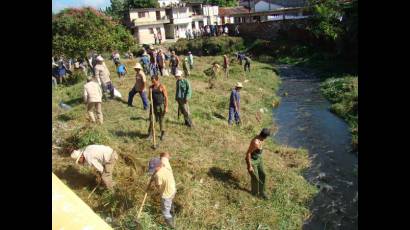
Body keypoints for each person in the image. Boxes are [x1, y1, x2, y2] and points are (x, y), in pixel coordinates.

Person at [147, 153, 177, 228]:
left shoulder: (158, 175)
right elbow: (165, 155)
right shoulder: (165, 164)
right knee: (170, 201)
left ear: (158, 167)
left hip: (166, 194)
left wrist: (153, 179)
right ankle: (172, 210)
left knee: (165, 210)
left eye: (154, 169)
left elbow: (158, 187)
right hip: (173, 189)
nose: (153, 171)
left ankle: (171, 225)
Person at [245, 128, 271, 199]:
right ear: (264, 136)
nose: (266, 138)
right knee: (255, 178)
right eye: (267, 137)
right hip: (253, 161)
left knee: (263, 174)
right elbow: (248, 153)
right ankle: (254, 193)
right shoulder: (255, 143)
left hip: (259, 159)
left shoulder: (261, 139)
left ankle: (262, 192)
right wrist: (249, 166)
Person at [147, 74, 168, 141]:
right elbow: (149, 99)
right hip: (153, 106)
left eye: (154, 81)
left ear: (157, 80)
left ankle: (163, 134)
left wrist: (166, 107)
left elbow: (166, 97)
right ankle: (150, 134)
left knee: (161, 120)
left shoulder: (161, 87)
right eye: (152, 81)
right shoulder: (151, 87)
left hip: (160, 106)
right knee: (152, 120)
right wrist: (150, 92)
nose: (153, 82)